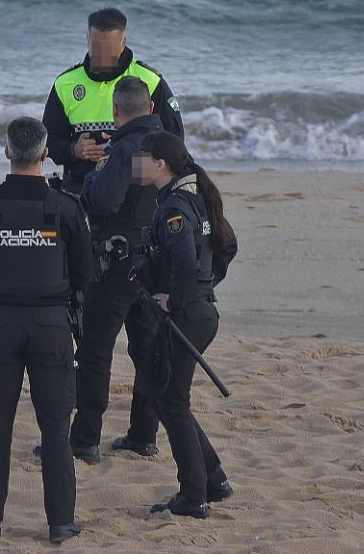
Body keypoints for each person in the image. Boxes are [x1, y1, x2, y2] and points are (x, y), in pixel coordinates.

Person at [0, 117, 91, 544]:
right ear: (46, 153)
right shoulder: (66, 207)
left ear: (7, 152)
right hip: (51, 324)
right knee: (54, 426)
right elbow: (85, 273)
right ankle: (60, 522)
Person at [69, 75, 174, 462]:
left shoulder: (123, 149)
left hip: (117, 262)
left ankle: (83, 440)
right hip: (153, 261)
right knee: (147, 350)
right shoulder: (166, 147)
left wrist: (90, 185)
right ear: (149, 108)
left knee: (95, 350)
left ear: (116, 112)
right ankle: (143, 433)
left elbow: (106, 201)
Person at [134, 130, 237, 518]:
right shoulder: (195, 196)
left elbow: (183, 261)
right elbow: (227, 247)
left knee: (170, 401)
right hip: (200, 311)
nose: (136, 163)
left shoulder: (175, 206)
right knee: (162, 394)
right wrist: (203, 289)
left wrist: (177, 299)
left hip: (188, 314)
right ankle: (213, 478)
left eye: (142, 156)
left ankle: (194, 496)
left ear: (159, 164)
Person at [43, 8, 184, 193]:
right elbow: (48, 139)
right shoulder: (66, 83)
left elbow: (174, 140)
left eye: (108, 47)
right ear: (87, 39)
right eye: (96, 46)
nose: (101, 55)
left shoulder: (150, 81)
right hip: (81, 188)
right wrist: (74, 150)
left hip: (135, 192)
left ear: (123, 42)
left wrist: (121, 156)